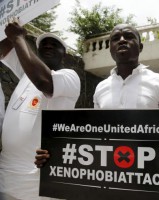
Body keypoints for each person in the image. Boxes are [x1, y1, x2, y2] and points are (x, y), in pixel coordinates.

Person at [35, 24, 159, 200]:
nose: (122, 40)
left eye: (129, 36)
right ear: (110, 49)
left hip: (148, 185)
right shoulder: (101, 88)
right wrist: (53, 155)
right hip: (109, 186)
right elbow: (94, 138)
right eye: (116, 38)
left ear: (140, 47)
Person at [0, 18, 81, 200]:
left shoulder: (69, 77)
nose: (48, 46)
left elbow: (43, 82)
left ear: (65, 55)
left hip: (37, 186)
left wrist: (19, 38)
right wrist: (9, 18)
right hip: (7, 179)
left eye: (55, 44)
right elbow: (3, 47)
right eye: (43, 44)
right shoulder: (26, 74)